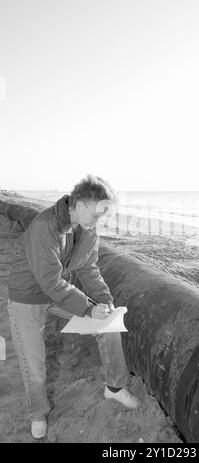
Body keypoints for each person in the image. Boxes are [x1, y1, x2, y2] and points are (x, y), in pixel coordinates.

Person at [7, 174, 140, 440]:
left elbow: (89, 268)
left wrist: (104, 301)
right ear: (78, 204)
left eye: (104, 215)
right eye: (96, 214)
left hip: (59, 294)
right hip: (26, 297)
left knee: (108, 324)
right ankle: (38, 413)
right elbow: (50, 281)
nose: (99, 221)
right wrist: (89, 308)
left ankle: (114, 388)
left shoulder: (88, 229)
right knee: (35, 364)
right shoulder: (45, 226)